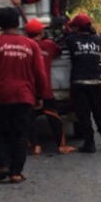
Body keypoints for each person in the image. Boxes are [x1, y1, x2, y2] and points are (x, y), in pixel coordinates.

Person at [0, 6, 48, 183]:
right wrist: (40, 95)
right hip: (24, 96)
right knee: (20, 133)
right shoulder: (31, 45)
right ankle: (16, 172)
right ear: (18, 22)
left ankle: (3, 165)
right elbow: (40, 73)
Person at [24, 18, 76, 155]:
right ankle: (61, 146)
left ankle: (36, 146)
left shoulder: (22, 46)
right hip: (45, 90)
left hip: (27, 91)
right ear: (41, 33)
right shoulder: (48, 45)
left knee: (28, 119)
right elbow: (58, 51)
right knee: (54, 118)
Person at [65, 12, 101, 153]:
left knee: (83, 114)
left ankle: (90, 144)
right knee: (98, 112)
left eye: (74, 26)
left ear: (78, 27)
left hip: (78, 82)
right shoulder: (98, 40)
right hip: (95, 81)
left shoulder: (71, 40)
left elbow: (62, 42)